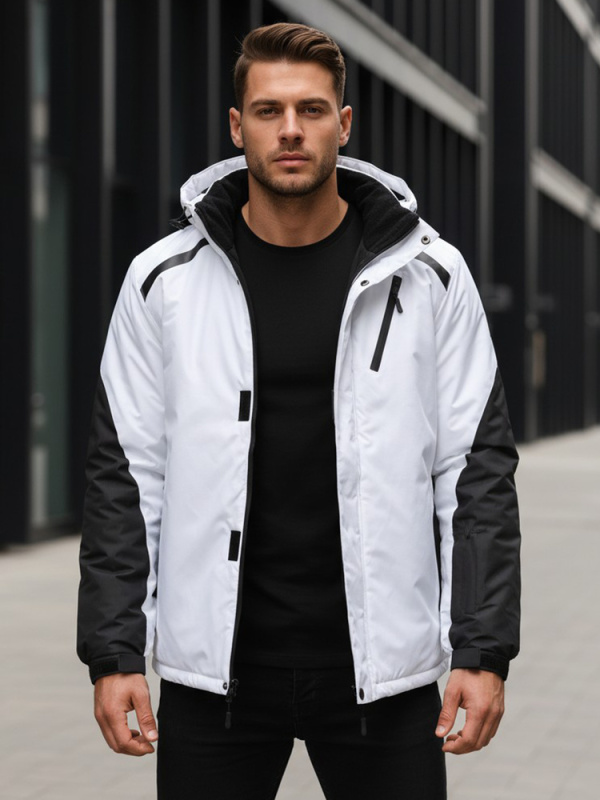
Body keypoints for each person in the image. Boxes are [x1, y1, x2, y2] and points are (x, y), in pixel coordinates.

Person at [77, 22, 521, 800]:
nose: (290, 130)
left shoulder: (430, 276)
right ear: (236, 125)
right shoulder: (163, 282)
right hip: (214, 676)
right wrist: (115, 652)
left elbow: (475, 471)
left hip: (383, 675)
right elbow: (126, 475)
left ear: (343, 125)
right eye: (269, 110)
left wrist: (480, 651)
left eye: (312, 110)